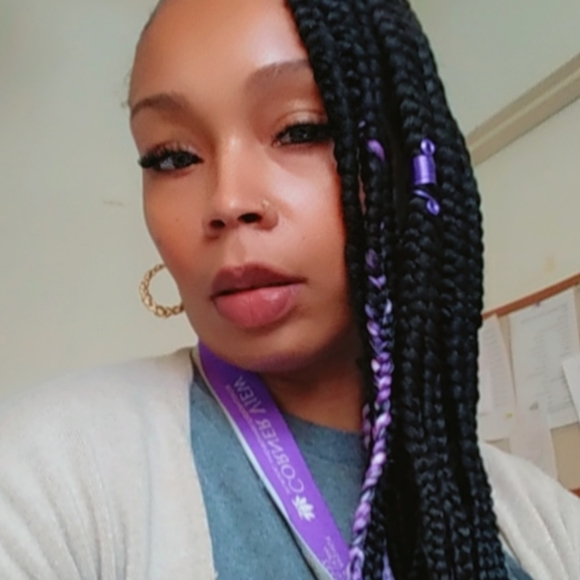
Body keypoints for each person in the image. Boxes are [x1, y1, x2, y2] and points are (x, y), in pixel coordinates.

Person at [0, 0, 579, 579]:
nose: (228, 201)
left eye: (301, 130)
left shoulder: (548, 523)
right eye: (173, 157)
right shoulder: (44, 478)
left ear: (407, 163)